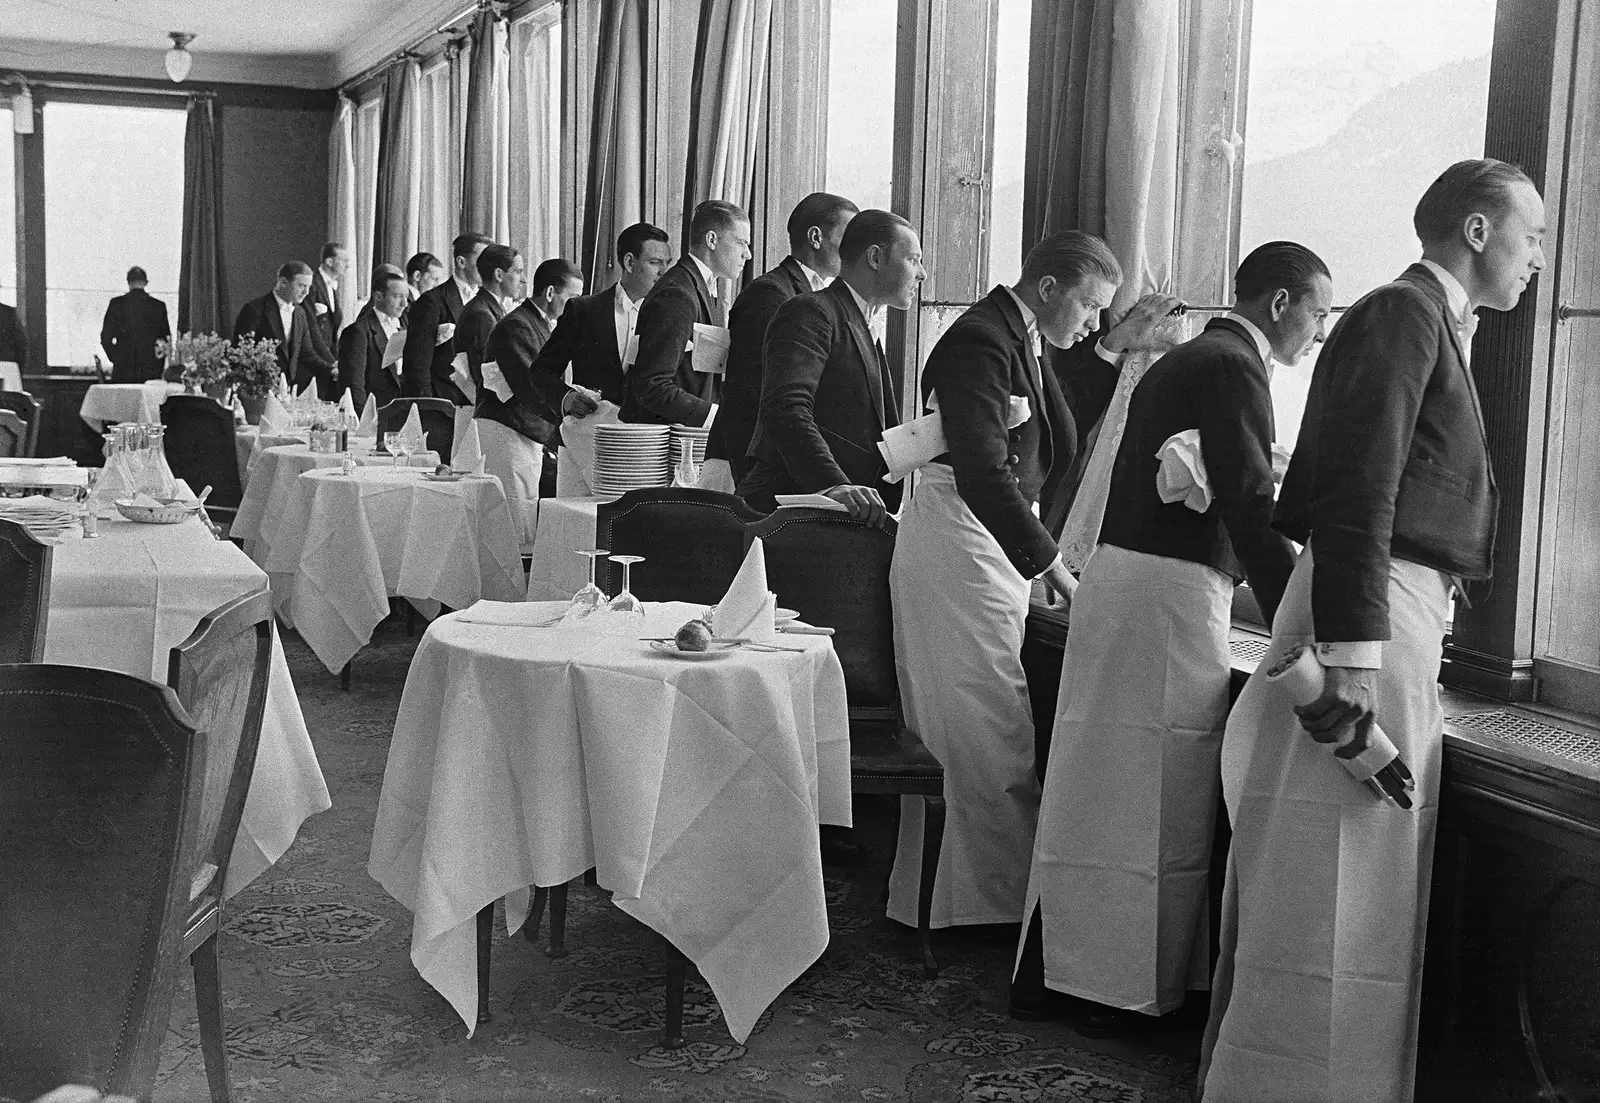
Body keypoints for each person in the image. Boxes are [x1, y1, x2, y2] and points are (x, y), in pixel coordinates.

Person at [1199, 159, 1545, 1102]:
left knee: (1362, 865)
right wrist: (1351, 659)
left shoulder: (1428, 322)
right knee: (1331, 861)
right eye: (1533, 235)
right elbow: (1361, 486)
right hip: (1370, 616)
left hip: (1393, 608)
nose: (1537, 260)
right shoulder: (1402, 313)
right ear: (1476, 232)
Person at [1013, 242, 1329, 1037]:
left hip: (1140, 586)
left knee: (1118, 788)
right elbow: (1252, 503)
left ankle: (1096, 973)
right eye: (1318, 313)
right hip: (1163, 593)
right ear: (1282, 304)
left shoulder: (1198, 358)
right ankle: (1112, 988)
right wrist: (1303, 612)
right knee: (1146, 792)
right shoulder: (1231, 366)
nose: (1318, 333)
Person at [884, 231, 1117, 934]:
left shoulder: (1023, 339)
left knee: (987, 726)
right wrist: (1055, 569)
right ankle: (986, 909)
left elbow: (1043, 435)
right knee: (983, 727)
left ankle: (967, 902)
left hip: (983, 545)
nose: (1094, 321)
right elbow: (986, 471)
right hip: (959, 538)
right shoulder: (980, 341)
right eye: (1090, 305)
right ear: (1048, 288)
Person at [737, 209, 920, 522]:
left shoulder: (861, 322)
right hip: (792, 515)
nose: (922, 274)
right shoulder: (810, 311)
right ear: (875, 258)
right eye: (913, 260)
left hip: (841, 519)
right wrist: (834, 485)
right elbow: (786, 407)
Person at [704, 193, 859, 489]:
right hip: (741, 468)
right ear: (816, 237)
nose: (854, 249)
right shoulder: (770, 294)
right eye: (848, 237)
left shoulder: (812, 296)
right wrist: (749, 482)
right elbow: (747, 395)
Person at [480, 258, 593, 546]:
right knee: (513, 516)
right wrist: (568, 417)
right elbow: (531, 387)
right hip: (507, 430)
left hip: (525, 431)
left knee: (525, 509)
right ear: (551, 293)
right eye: (572, 298)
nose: (575, 306)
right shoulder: (517, 326)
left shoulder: (538, 324)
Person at [620, 199, 751, 426]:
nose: (747, 254)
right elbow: (652, 384)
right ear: (711, 240)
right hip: (661, 446)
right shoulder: (678, 293)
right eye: (741, 243)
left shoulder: (701, 287)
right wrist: (716, 418)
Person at [530, 223, 672, 407]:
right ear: (629, 262)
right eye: (655, 262)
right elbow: (541, 371)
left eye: (667, 263)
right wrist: (567, 398)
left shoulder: (670, 315)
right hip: (591, 429)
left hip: (650, 434)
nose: (664, 272)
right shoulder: (583, 310)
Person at [403, 232, 492, 404]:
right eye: (482, 260)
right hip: (444, 403)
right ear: (461, 262)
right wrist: (429, 409)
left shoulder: (487, 302)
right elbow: (417, 366)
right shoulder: (432, 301)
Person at [232, 261, 337, 395]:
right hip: (256, 393)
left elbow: (307, 355)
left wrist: (331, 370)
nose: (306, 292)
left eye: (308, 287)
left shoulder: (300, 314)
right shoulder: (254, 310)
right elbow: (240, 354)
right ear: (283, 282)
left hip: (286, 392)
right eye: (301, 286)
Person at [456, 243, 523, 404]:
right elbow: (488, 379)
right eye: (518, 272)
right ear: (499, 275)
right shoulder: (481, 315)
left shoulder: (487, 309)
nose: (523, 280)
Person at [340, 268, 409, 413]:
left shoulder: (404, 325)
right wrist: (365, 422)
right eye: (397, 296)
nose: (404, 303)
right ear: (378, 296)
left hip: (400, 412)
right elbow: (354, 384)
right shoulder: (358, 331)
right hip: (374, 414)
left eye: (406, 297)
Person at [98, 266, 170, 383]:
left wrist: (116, 358)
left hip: (123, 368)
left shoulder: (116, 304)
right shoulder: (158, 306)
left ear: (128, 282)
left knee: (123, 400)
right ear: (146, 283)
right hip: (150, 369)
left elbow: (105, 338)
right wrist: (158, 365)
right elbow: (164, 341)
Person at [309, 242, 349, 352]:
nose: (347, 265)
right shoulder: (312, 284)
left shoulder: (330, 286)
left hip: (328, 355)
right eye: (344, 261)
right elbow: (310, 327)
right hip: (314, 356)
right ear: (329, 261)